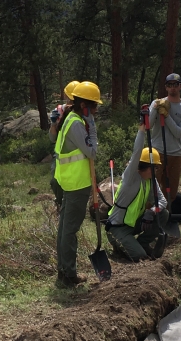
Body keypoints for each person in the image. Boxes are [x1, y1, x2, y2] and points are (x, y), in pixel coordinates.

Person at [53, 80, 101, 287]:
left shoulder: (71, 119)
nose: (96, 110)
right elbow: (91, 151)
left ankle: (64, 272)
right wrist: (92, 128)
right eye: (94, 106)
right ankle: (68, 275)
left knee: (65, 229)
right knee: (69, 231)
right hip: (76, 184)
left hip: (70, 182)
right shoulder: (75, 123)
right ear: (85, 106)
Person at [106, 129, 169, 261]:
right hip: (117, 229)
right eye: (155, 167)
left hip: (133, 224)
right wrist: (141, 131)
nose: (157, 170)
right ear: (147, 166)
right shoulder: (131, 177)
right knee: (140, 256)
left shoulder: (151, 181)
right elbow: (136, 153)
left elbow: (162, 201)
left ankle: (142, 242)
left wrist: (151, 212)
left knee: (163, 214)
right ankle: (125, 246)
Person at [149, 73, 181, 203]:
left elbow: (178, 133)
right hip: (157, 151)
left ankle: (165, 216)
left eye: (175, 85)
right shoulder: (157, 103)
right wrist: (155, 109)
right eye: (169, 85)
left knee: (171, 191)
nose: (172, 88)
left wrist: (166, 116)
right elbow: (149, 125)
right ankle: (149, 216)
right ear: (166, 87)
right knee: (152, 188)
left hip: (176, 154)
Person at [49, 80, 79, 208]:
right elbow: (52, 138)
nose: (69, 102)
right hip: (61, 153)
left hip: (78, 153)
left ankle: (72, 204)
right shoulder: (59, 111)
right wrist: (53, 123)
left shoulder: (83, 113)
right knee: (55, 181)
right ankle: (60, 202)